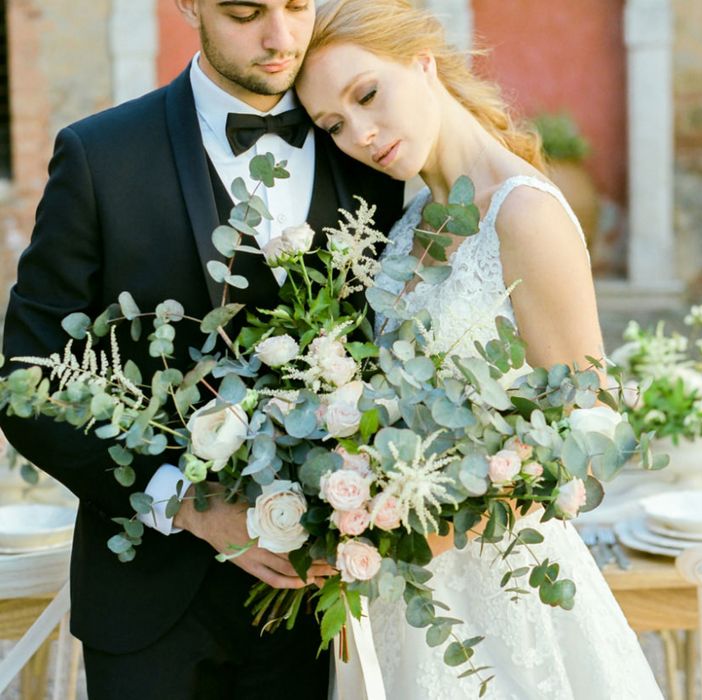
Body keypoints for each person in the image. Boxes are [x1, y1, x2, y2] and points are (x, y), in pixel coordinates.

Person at [0, 1, 403, 697]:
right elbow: (26, 379)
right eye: (246, 11)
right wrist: (184, 501)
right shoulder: (100, 157)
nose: (280, 39)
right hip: (147, 607)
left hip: (311, 611)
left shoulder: (369, 151)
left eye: (298, 6)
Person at [295, 0, 664, 698]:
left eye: (367, 95)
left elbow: (591, 421)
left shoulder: (523, 211)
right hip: (406, 601)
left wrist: (442, 522)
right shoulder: (405, 231)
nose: (361, 134)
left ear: (423, 60)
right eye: (334, 126)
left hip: (509, 592)